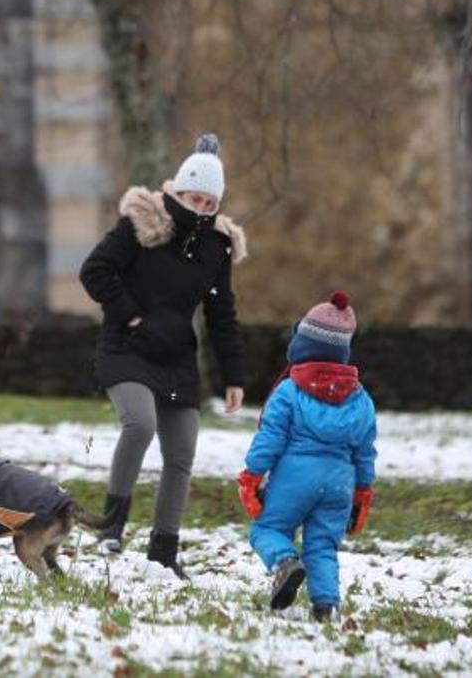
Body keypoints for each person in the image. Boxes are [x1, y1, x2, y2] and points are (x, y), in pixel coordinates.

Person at [79, 134, 247, 578]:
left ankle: (164, 550)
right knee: (140, 424)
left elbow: (221, 312)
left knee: (182, 452)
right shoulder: (143, 223)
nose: (202, 209)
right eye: (195, 198)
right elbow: (94, 271)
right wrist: (130, 316)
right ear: (179, 190)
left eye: (211, 204)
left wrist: (234, 376)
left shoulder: (217, 246)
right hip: (127, 349)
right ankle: (111, 526)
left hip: (176, 360)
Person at [238, 290, 376, 617]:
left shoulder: (289, 390)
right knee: (323, 546)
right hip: (340, 483)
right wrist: (362, 494)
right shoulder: (361, 399)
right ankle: (325, 605)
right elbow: (365, 452)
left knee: (267, 530)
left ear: (302, 346)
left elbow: (270, 438)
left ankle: (285, 562)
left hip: (294, 478)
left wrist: (252, 474)